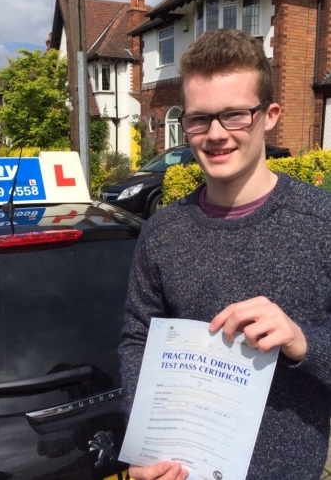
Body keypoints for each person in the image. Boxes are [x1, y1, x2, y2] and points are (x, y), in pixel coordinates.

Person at [118, 29, 331, 480]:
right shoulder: (162, 233)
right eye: (199, 119)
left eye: (235, 115)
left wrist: (302, 341)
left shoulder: (321, 223)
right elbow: (138, 338)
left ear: (270, 115)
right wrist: (143, 445)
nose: (215, 135)